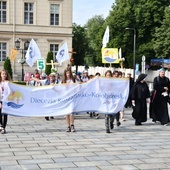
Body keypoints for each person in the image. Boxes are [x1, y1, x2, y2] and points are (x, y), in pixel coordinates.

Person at [62, 66, 76, 132]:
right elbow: (59, 89)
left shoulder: (73, 80)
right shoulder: (63, 81)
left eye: (69, 73)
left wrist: (78, 84)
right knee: (66, 113)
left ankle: (72, 125)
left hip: (72, 98)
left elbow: (78, 87)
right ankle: (68, 126)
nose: (68, 74)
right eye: (67, 73)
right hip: (66, 98)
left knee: (71, 112)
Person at [0, 70, 11, 134]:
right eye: (3, 74)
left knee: (5, 115)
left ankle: (3, 128)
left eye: (5, 74)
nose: (4, 75)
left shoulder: (8, 83)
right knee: (0, 115)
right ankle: (1, 126)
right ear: (1, 75)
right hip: (0, 100)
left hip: (6, 100)